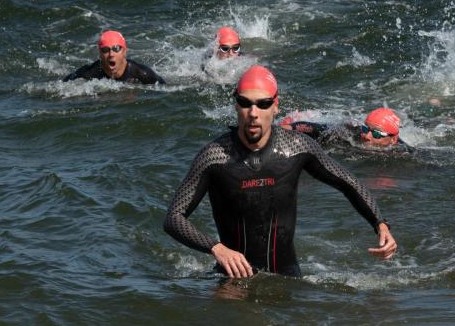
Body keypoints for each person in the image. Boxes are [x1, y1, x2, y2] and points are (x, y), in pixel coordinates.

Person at [164, 65, 397, 278]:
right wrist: (217, 248)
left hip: (286, 277)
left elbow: (347, 182)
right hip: (231, 279)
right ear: (236, 105)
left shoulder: (296, 147)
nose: (253, 113)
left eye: (263, 104)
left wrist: (380, 224)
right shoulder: (214, 156)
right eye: (245, 103)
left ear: (275, 106)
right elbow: (174, 218)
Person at [279, 108, 413, 152]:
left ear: (393, 139)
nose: (367, 136)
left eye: (376, 134)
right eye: (366, 128)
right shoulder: (350, 131)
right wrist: (291, 127)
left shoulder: (403, 151)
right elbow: (317, 128)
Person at [63, 30, 165, 85]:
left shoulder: (142, 73)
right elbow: (61, 85)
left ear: (125, 52)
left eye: (116, 49)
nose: (111, 54)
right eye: (105, 50)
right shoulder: (90, 71)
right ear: (100, 53)